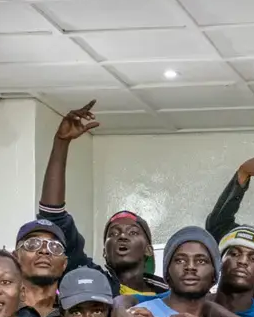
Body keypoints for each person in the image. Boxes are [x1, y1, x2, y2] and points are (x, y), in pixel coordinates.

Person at [33, 100, 167, 298]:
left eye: (132, 232)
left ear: (148, 249)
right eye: (113, 233)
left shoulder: (169, 295)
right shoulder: (95, 284)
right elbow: (53, 217)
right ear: (105, 252)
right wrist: (61, 142)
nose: (122, 237)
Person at [11, 219, 69, 317]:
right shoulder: (0, 309)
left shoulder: (72, 314)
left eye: (54, 246)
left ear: (64, 264)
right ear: (15, 258)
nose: (44, 250)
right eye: (33, 244)